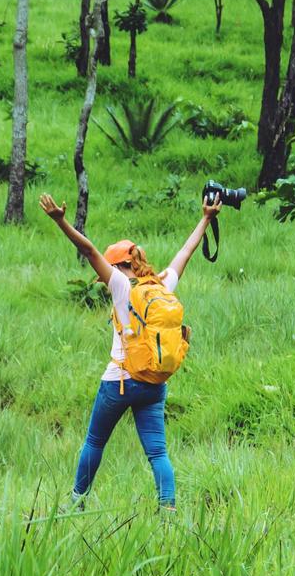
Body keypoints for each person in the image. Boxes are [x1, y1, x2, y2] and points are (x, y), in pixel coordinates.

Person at [40, 189, 216, 508]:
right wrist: (205, 219)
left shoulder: (121, 285)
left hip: (119, 381)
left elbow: (89, 249)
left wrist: (61, 222)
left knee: (95, 442)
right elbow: (185, 252)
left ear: (119, 266)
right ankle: (168, 510)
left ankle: (75, 503)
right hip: (154, 384)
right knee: (158, 453)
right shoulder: (161, 285)